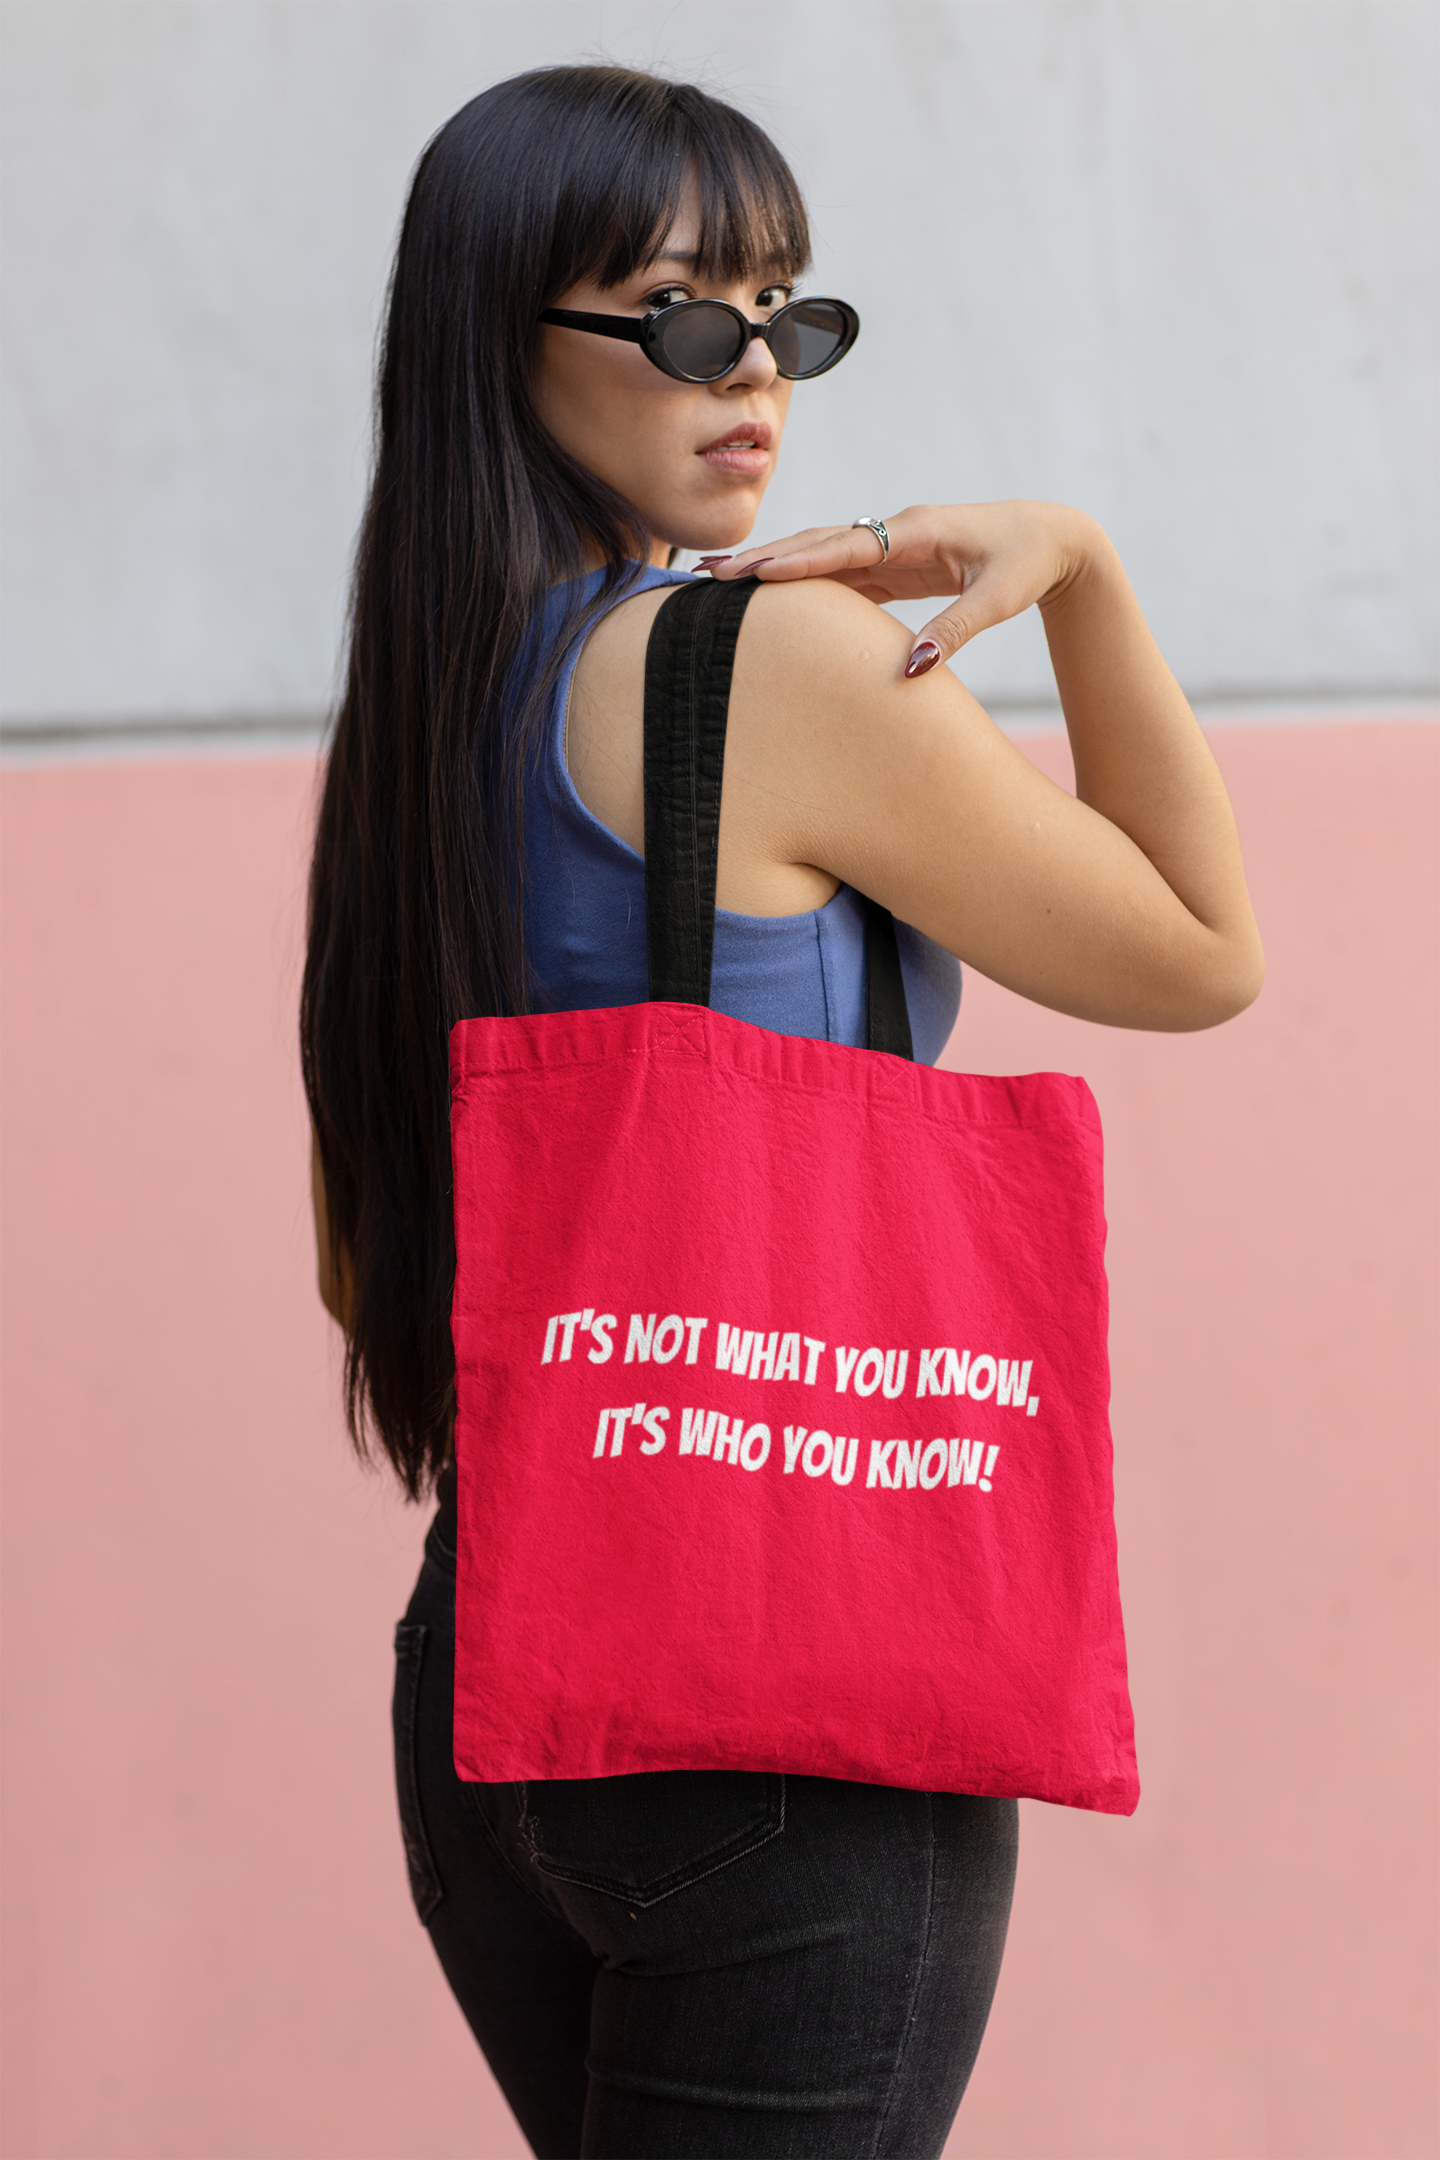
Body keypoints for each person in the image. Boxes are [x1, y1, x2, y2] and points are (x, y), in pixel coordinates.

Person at [302, 63, 1263, 2160]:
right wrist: (1083, 570)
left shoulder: (418, 729)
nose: (753, 376)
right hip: (773, 1676)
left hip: (494, 1688)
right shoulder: (764, 666)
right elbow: (1201, 946)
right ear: (503, 334)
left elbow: (367, 1247)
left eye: (787, 316)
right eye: (677, 318)